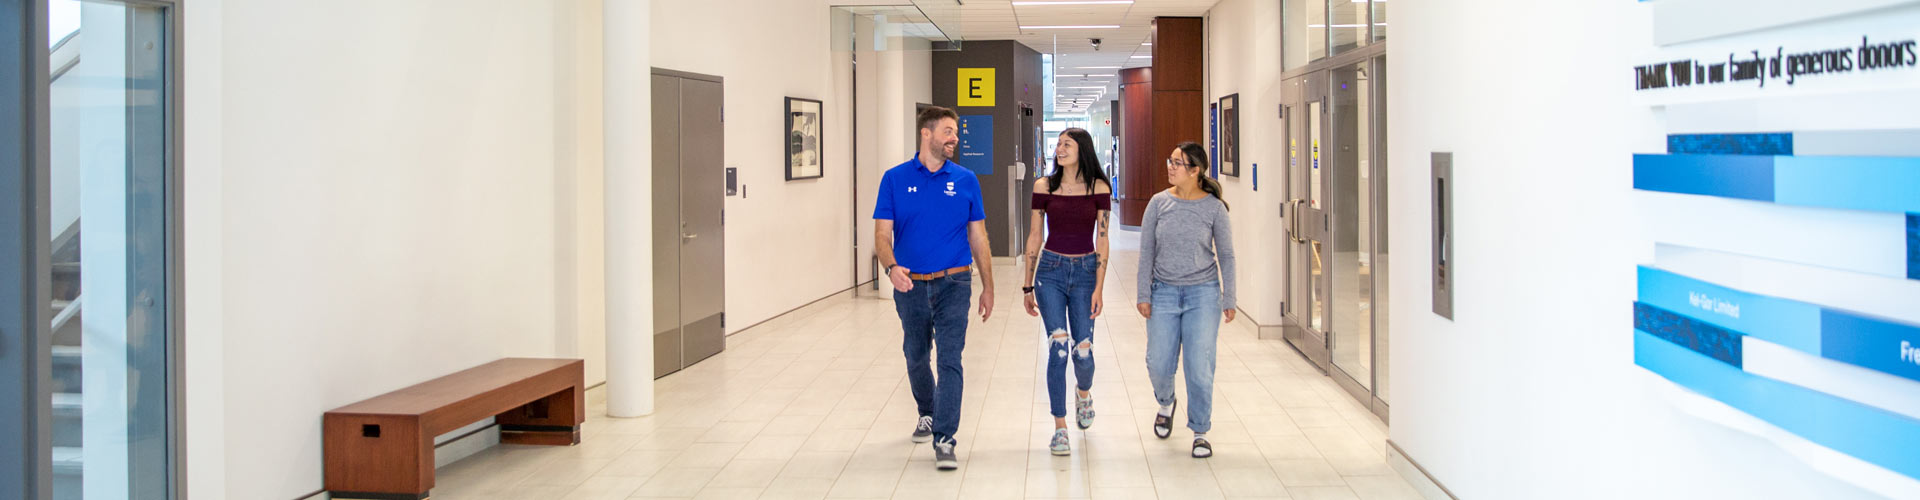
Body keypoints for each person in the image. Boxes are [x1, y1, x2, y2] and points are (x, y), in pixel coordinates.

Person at [874, 105, 996, 471]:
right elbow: (882, 235)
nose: (954, 138)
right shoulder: (894, 179)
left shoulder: (966, 180)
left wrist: (988, 286)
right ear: (926, 134)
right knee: (915, 354)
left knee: (950, 359)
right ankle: (927, 411)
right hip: (910, 285)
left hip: (955, 282)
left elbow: (979, 236)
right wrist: (891, 267)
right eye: (947, 131)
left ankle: (945, 437)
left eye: (955, 132)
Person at [1136, 141, 1237, 458]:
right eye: (1170, 160)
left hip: (1203, 294)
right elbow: (1146, 253)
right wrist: (1143, 293)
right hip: (1163, 291)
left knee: (1199, 366)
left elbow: (1227, 256)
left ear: (1195, 171)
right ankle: (1166, 403)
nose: (1170, 166)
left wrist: (1229, 297)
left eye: (1177, 163)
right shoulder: (1157, 203)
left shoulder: (1214, 208)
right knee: (1159, 363)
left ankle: (1200, 431)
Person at [1020, 128, 1112, 456]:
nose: (1059, 149)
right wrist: (1027, 284)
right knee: (1058, 349)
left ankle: (1083, 393)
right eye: (1058, 144)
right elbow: (1034, 237)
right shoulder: (1043, 187)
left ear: (1082, 150)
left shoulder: (1099, 187)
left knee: (1082, 352)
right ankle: (1060, 428)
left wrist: (1100, 285)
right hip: (1051, 273)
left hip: (1086, 272)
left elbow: (1102, 237)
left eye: (1067, 144)